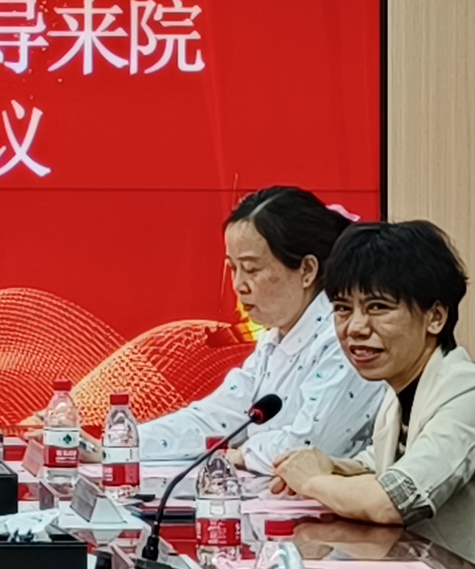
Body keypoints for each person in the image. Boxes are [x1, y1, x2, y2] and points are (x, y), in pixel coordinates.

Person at [267, 218, 475, 569]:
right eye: (343, 308)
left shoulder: (474, 392)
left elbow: (392, 501)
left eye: (377, 307)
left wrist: (312, 479)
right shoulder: (399, 391)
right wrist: (330, 466)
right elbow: (379, 466)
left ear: (435, 317)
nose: (355, 327)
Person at [134, 184, 381, 470]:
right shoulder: (274, 338)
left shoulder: (346, 338)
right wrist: (122, 445)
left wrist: (243, 454)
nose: (239, 285)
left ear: (307, 270)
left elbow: (308, 447)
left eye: (251, 269)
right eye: (233, 268)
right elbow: (216, 417)